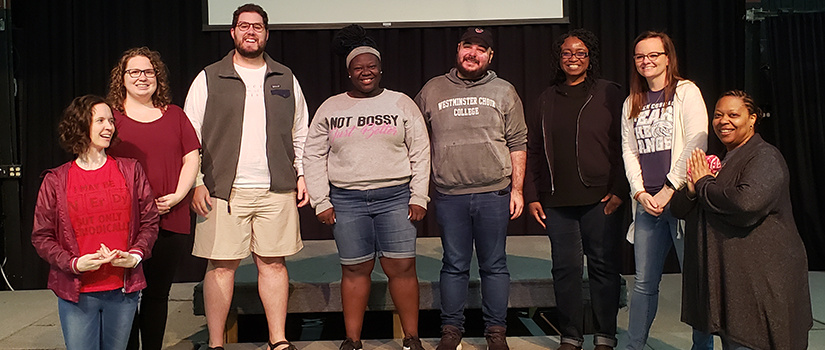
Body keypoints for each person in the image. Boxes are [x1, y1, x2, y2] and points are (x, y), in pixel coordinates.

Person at [183, 4, 309, 350]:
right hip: (223, 192)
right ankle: (215, 343)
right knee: (221, 267)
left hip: (276, 190)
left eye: (257, 27)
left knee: (273, 265)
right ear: (233, 33)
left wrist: (302, 175)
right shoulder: (208, 77)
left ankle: (278, 340)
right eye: (243, 26)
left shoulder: (285, 77)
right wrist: (195, 183)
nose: (250, 32)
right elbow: (189, 135)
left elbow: (302, 132)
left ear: (266, 34)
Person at [303, 24, 430, 350]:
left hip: (396, 197)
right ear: (349, 73)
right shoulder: (331, 108)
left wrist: (419, 196)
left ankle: (411, 338)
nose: (366, 72)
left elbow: (421, 151)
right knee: (355, 268)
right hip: (347, 200)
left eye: (371, 66)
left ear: (381, 68)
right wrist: (321, 200)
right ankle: (353, 340)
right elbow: (313, 154)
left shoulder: (401, 103)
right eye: (358, 68)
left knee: (401, 266)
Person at [671, 90, 812, 350]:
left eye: (733, 115)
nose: (723, 121)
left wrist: (702, 183)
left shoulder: (764, 157)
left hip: (761, 287)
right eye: (718, 115)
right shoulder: (721, 162)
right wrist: (692, 188)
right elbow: (678, 209)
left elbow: (745, 204)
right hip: (731, 289)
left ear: (752, 119)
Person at [415, 26, 527, 350]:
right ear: (458, 49)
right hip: (449, 196)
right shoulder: (432, 89)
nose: (472, 53)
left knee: (494, 266)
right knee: (453, 265)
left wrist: (517, 189)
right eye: (468, 46)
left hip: (494, 193)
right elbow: (416, 142)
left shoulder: (504, 90)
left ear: (490, 56)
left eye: (481, 49)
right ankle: (451, 331)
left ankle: (496, 333)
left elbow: (518, 141)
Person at [31, 95, 159, 350]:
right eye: (100, 120)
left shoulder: (130, 170)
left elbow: (150, 220)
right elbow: (41, 236)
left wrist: (134, 255)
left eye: (110, 120)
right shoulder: (56, 180)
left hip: (122, 290)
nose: (109, 126)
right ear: (80, 125)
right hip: (78, 292)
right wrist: (73, 263)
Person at [525, 29, 626, 350]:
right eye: (567, 53)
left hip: (601, 198)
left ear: (590, 58)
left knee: (603, 268)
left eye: (580, 53)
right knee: (565, 270)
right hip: (557, 201)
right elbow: (535, 150)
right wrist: (533, 195)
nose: (573, 58)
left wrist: (620, 190)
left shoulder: (609, 93)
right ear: (559, 58)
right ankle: (570, 335)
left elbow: (627, 145)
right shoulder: (546, 98)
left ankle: (605, 335)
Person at [620, 31, 713, 350]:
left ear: (668, 58)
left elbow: (697, 141)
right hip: (648, 204)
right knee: (644, 284)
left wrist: (670, 187)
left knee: (697, 283)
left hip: (684, 202)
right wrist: (639, 192)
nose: (646, 61)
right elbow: (628, 150)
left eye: (653, 55)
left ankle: (703, 346)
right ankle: (634, 346)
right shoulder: (632, 101)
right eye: (640, 56)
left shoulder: (686, 92)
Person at [106, 46, 201, 350]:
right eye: (134, 71)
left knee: (158, 293)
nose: (142, 77)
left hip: (170, 215)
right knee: (125, 293)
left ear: (157, 77)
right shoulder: (111, 118)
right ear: (122, 78)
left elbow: (191, 158)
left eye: (148, 71)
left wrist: (177, 196)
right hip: (124, 220)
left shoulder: (174, 115)